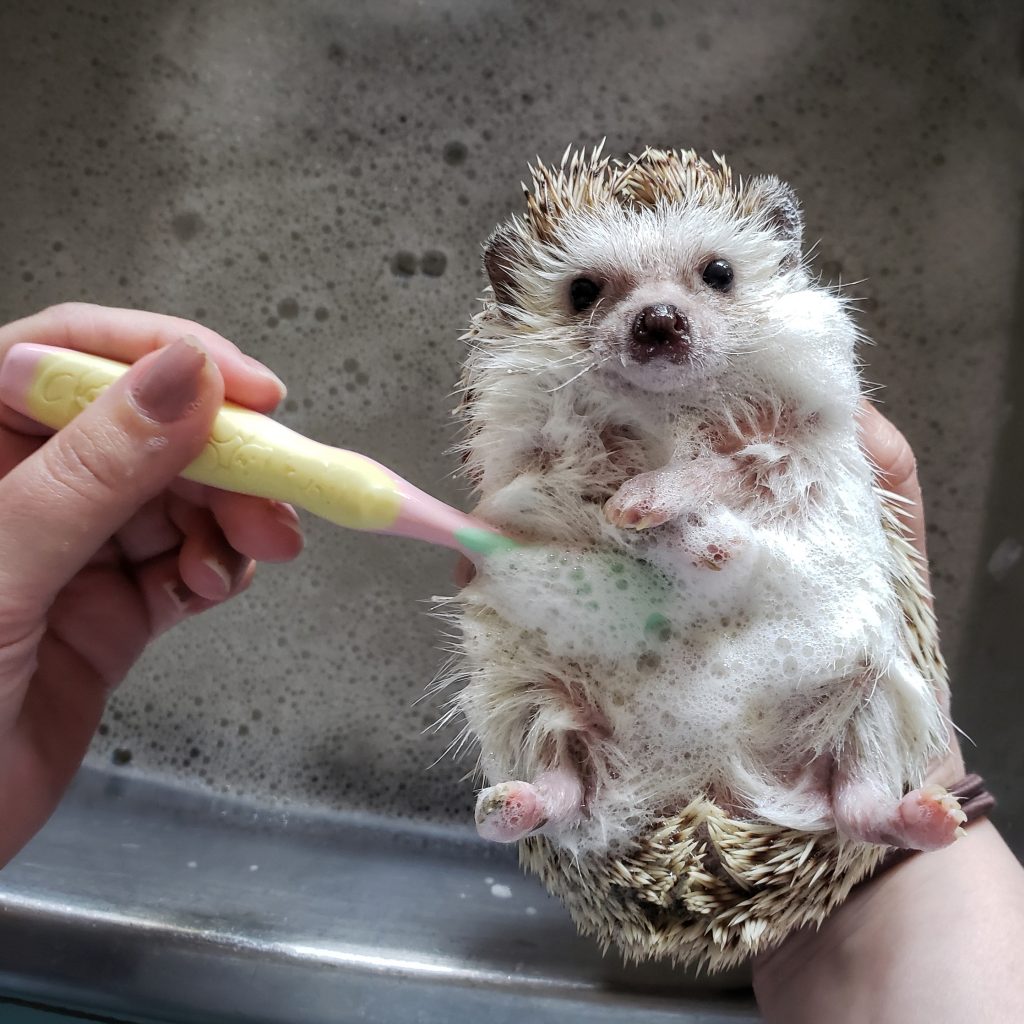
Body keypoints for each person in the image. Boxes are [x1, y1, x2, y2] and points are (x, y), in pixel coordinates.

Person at [0, 303, 1021, 1020]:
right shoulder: (540, 431)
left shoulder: (789, 408)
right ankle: (568, 788)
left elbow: (801, 523)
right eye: (590, 293)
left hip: (786, 708)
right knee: (543, 690)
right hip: (646, 712)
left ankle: (870, 820)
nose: (658, 317)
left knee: (831, 665)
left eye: (712, 280)